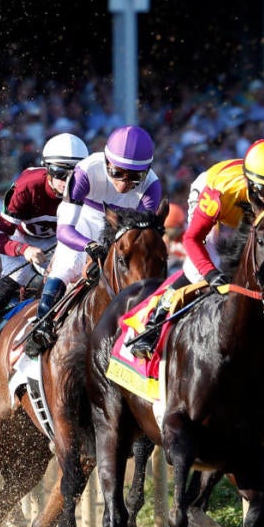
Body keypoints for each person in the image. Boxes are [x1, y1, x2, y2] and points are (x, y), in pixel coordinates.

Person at [127, 138, 264, 359]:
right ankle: (154, 320)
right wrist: (211, 274)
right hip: (215, 194)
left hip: (245, 210)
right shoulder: (219, 194)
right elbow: (192, 239)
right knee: (197, 270)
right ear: (250, 183)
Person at [25, 125, 163, 357]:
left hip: (121, 230)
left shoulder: (152, 187)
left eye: (134, 177)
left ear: (147, 171)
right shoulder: (86, 170)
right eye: (117, 172)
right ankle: (42, 324)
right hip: (83, 221)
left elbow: (141, 239)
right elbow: (65, 231)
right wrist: (89, 246)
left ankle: (146, 330)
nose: (123, 183)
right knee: (69, 264)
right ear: (106, 161)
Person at [0, 133, 88, 356]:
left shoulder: (86, 189)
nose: (67, 183)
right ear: (46, 169)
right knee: (16, 279)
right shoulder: (26, 186)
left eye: (74, 176)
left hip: (60, 240)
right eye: (60, 174)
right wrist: (23, 250)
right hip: (21, 238)